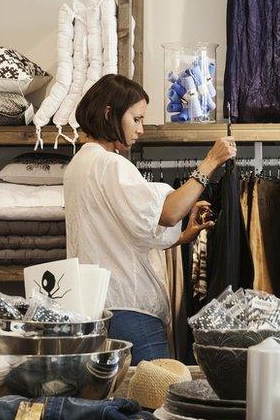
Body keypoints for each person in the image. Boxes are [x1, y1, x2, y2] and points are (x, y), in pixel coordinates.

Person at [64, 74, 237, 364]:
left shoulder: (78, 166)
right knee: (153, 401)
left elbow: (125, 235)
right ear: (110, 114)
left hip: (96, 309)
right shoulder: (111, 165)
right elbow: (168, 213)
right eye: (136, 119)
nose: (141, 129)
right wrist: (211, 161)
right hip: (129, 311)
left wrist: (184, 235)